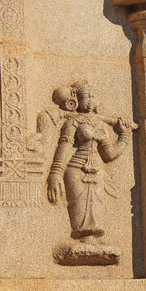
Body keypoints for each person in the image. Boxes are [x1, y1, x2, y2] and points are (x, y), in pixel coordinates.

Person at [47, 81, 133, 244]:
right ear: (78, 100)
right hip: (76, 168)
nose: (90, 100)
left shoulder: (102, 124)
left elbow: (109, 155)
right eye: (86, 96)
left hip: (97, 170)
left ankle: (92, 241)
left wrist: (124, 135)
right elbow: (64, 147)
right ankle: (83, 239)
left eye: (93, 96)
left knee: (96, 205)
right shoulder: (73, 122)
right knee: (78, 205)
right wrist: (56, 173)